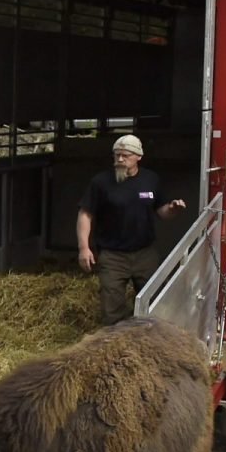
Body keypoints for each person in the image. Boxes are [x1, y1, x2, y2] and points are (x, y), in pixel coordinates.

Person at [77, 134, 187, 326]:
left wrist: (172, 209)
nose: (120, 159)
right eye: (116, 155)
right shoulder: (101, 182)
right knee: (111, 305)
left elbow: (161, 211)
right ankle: (116, 342)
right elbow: (85, 214)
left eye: (125, 155)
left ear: (138, 157)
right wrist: (83, 248)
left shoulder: (150, 180)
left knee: (154, 301)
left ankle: (151, 340)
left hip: (145, 253)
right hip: (112, 256)